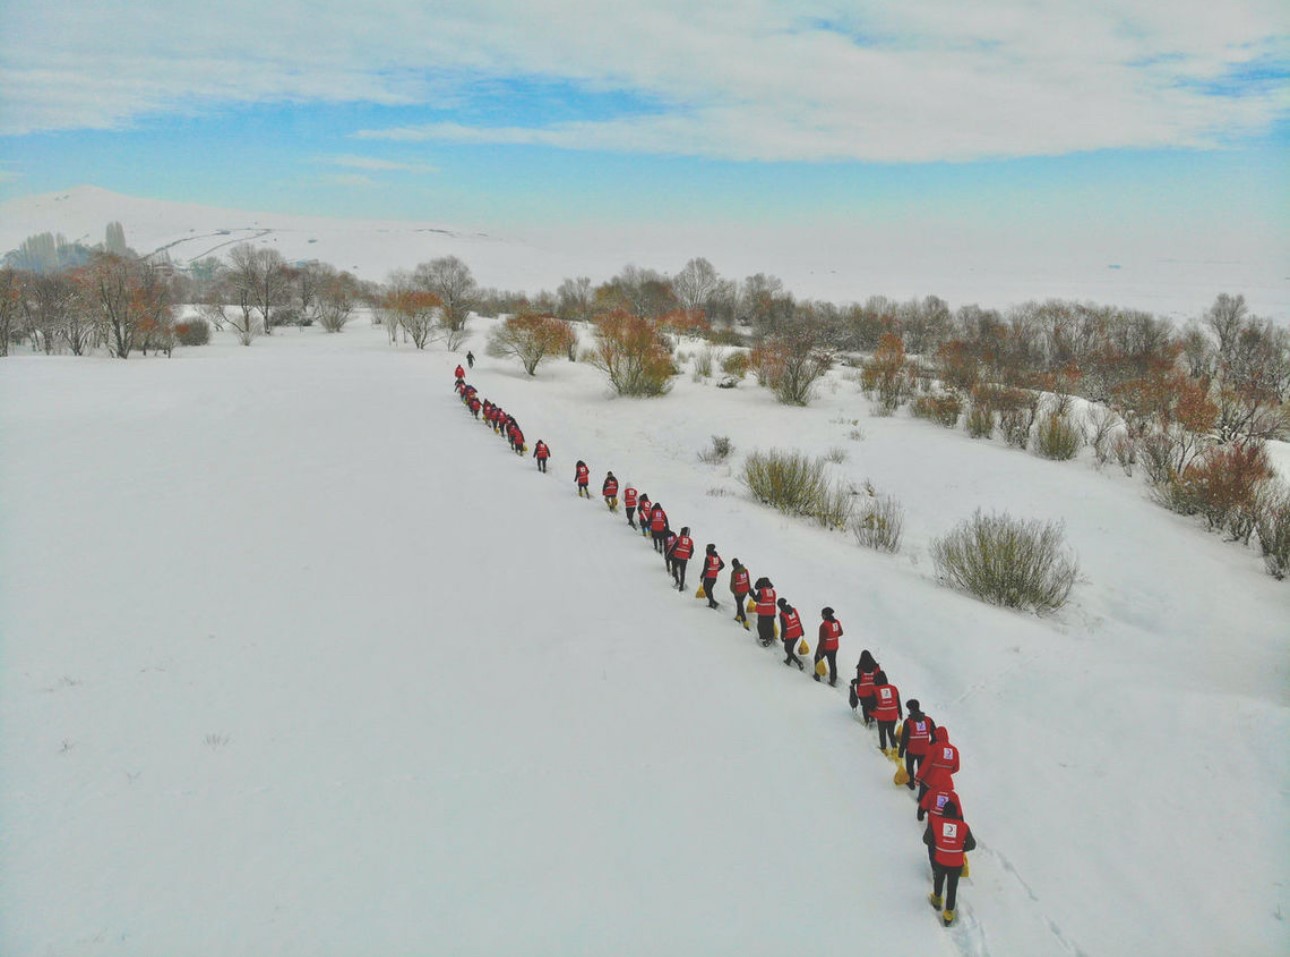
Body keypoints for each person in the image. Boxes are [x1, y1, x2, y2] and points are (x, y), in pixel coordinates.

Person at [923, 799, 976, 927]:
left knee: (939, 879)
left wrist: (939, 843)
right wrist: (959, 848)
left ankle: (936, 900)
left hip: (940, 859)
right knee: (952, 887)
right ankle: (948, 914)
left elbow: (926, 839)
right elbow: (972, 844)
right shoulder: (964, 826)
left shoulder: (936, 822)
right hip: (956, 863)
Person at [898, 700, 937, 791]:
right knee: (922, 768)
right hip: (924, 750)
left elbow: (904, 739)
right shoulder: (929, 720)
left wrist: (901, 751)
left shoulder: (908, 722)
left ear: (910, 709)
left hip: (911, 750)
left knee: (910, 767)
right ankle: (921, 784)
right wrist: (929, 745)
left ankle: (911, 783)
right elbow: (935, 735)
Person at [915, 727, 961, 804]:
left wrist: (918, 778)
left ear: (937, 736)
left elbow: (925, 765)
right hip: (946, 783)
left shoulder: (934, 748)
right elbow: (956, 768)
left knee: (922, 802)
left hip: (929, 781)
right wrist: (945, 772)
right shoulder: (954, 750)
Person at [870, 670, 903, 756]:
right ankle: (895, 749)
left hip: (882, 716)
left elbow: (873, 704)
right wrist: (900, 713)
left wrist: (871, 712)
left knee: (882, 733)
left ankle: (884, 749)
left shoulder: (875, 690)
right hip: (893, 715)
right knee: (891, 733)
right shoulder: (893, 688)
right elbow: (898, 702)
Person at [849, 650, 881, 726]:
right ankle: (872, 717)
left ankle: (866, 721)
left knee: (865, 706)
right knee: (873, 705)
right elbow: (879, 678)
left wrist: (854, 682)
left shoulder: (860, 667)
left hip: (863, 692)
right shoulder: (876, 667)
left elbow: (859, 680)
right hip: (874, 691)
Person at [815, 607, 842, 686]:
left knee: (817, 659)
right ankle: (833, 680)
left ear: (825, 615)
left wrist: (819, 652)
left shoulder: (824, 625)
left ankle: (817, 676)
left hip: (826, 648)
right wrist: (833, 635)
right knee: (832, 664)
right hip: (835, 647)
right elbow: (840, 633)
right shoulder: (837, 622)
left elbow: (822, 641)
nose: (821, 616)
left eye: (822, 614)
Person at [777, 598, 805, 670]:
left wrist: (782, 636)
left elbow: (784, 626)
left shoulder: (782, 614)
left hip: (790, 634)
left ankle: (799, 662)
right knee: (791, 648)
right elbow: (798, 620)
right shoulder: (794, 610)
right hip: (797, 632)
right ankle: (788, 661)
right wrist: (802, 630)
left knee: (787, 649)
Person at [753, 577, 777, 646]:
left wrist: (752, 594)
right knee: (770, 626)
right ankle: (770, 637)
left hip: (763, 613)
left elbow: (756, 599)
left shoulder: (761, 591)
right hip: (771, 613)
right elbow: (773, 602)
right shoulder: (773, 592)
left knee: (761, 626)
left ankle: (764, 637)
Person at [670, 526, 694, 591]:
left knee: (674, 569)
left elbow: (673, 547)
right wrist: (689, 556)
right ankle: (681, 587)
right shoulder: (690, 541)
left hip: (676, 557)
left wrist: (669, 554)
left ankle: (677, 581)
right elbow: (692, 550)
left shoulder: (679, 538)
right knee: (683, 573)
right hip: (684, 559)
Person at [729, 559, 751, 628]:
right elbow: (748, 580)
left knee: (740, 605)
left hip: (738, 592)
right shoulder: (745, 570)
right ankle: (738, 617)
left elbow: (733, 584)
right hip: (745, 591)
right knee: (740, 604)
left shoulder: (734, 573)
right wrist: (749, 589)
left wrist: (733, 591)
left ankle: (745, 621)